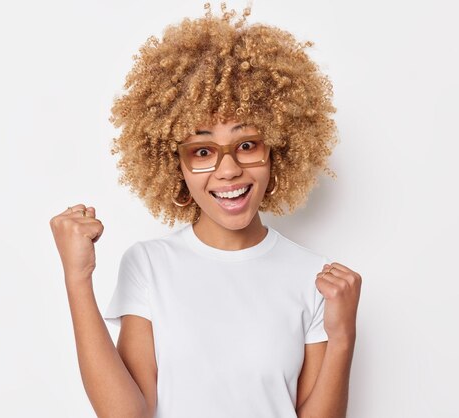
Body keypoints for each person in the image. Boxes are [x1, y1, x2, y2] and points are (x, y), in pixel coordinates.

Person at [50, 3, 362, 418]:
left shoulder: (316, 278)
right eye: (202, 151)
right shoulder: (149, 265)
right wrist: (78, 278)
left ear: (279, 149)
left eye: (247, 144)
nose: (228, 170)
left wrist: (342, 338)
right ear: (173, 165)